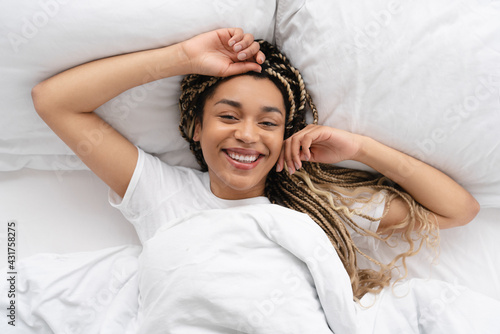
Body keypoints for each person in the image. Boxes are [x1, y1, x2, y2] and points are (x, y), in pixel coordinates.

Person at [32, 27, 479, 304]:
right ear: (195, 128)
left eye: (269, 123)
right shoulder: (162, 193)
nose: (247, 134)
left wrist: (360, 148)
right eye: (227, 116)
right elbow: (54, 102)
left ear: (285, 134)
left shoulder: (316, 209)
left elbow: (457, 210)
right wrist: (184, 56)